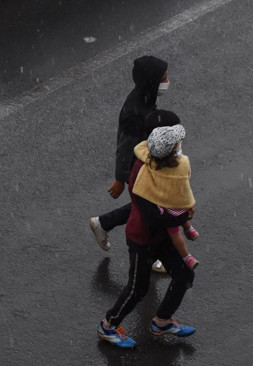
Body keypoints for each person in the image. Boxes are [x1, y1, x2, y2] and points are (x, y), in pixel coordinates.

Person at [96, 110, 196, 349]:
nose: (180, 145)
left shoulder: (162, 166)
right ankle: (108, 325)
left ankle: (162, 321)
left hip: (160, 236)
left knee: (183, 275)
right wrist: (183, 215)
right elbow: (156, 216)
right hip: (143, 240)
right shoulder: (142, 176)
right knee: (138, 288)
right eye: (176, 144)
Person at [89, 55, 171, 272]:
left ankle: (103, 223)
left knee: (147, 208)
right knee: (151, 209)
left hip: (147, 166)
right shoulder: (135, 110)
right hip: (139, 170)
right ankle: (151, 256)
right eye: (163, 78)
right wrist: (120, 178)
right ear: (151, 81)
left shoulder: (145, 100)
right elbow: (125, 145)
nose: (167, 81)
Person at [133, 124, 200, 270]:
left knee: (175, 233)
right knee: (180, 215)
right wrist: (190, 206)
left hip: (162, 207)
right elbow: (186, 185)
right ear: (175, 147)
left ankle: (187, 257)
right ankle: (189, 229)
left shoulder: (150, 160)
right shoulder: (183, 163)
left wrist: (152, 144)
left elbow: (138, 148)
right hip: (177, 207)